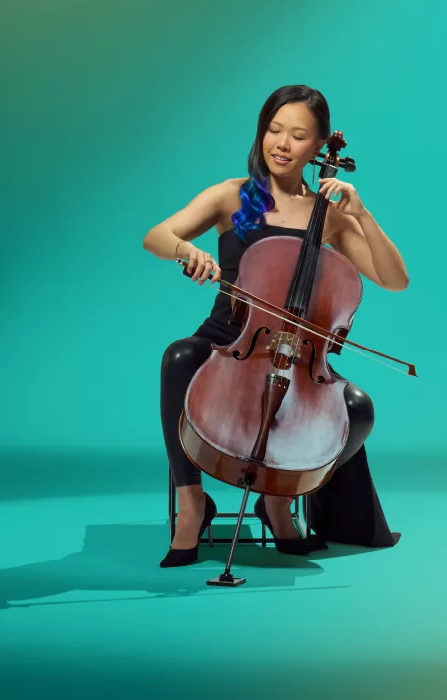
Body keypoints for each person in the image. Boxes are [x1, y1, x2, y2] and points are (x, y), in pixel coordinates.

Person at [142, 84, 409, 568]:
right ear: (261, 132)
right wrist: (189, 250)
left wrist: (362, 215)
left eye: (299, 135)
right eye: (274, 130)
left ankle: (278, 501)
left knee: (357, 408)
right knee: (178, 358)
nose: (282, 144)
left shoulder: (328, 216)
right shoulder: (232, 195)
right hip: (230, 338)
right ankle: (192, 504)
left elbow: (395, 280)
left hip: (302, 354)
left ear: (318, 145)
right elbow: (158, 235)